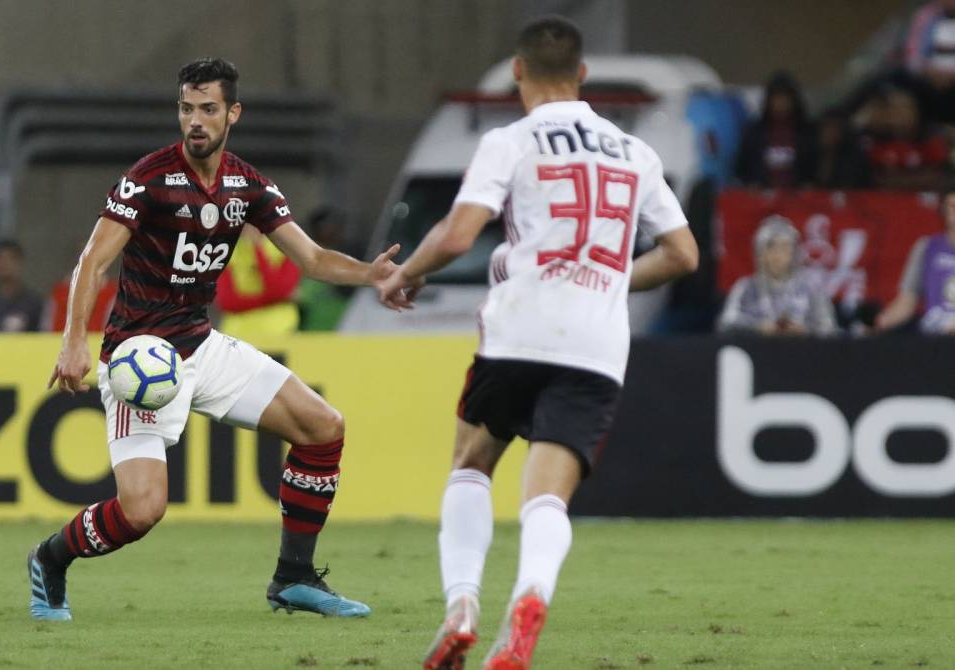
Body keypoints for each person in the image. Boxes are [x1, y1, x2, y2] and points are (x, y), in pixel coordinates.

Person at [373, 17, 699, 670]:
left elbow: (458, 235)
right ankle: (531, 595)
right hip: (596, 343)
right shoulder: (634, 151)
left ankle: (462, 605)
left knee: (471, 463)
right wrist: (612, 278)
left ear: (518, 72)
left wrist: (406, 273)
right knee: (548, 495)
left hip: (520, 327)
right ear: (583, 74)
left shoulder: (510, 141)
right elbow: (683, 254)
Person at [30, 57, 406, 622]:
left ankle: (294, 577)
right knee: (142, 510)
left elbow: (311, 258)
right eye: (186, 109)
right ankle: (50, 558)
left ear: (233, 113)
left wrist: (370, 273)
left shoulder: (247, 185)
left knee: (323, 427)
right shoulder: (148, 179)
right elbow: (93, 261)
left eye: (208, 109)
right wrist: (74, 343)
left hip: (201, 347)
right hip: (139, 360)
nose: (195, 121)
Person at [717, 216, 837, 336]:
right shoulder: (746, 287)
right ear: (760, 252)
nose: (778, 254)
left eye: (784, 247)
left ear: (794, 252)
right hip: (756, 346)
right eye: (771, 247)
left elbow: (829, 327)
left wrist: (804, 330)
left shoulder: (811, 288)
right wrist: (757, 327)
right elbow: (727, 322)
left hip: (803, 347)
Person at [875, 189, 955, 334]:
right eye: (951, 205)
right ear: (943, 210)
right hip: (936, 334)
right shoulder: (926, 248)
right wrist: (881, 322)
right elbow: (907, 300)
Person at [215, 223, 301, 339]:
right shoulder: (226, 251)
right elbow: (227, 302)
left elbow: (278, 290)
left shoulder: (286, 247)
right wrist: (271, 300)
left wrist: (258, 248)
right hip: (237, 333)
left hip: (279, 330)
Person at [734, 71, 817, 189]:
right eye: (776, 98)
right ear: (768, 101)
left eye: (785, 98)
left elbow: (814, 167)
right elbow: (742, 168)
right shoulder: (754, 133)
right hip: (760, 197)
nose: (781, 103)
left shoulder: (806, 133)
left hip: (797, 197)